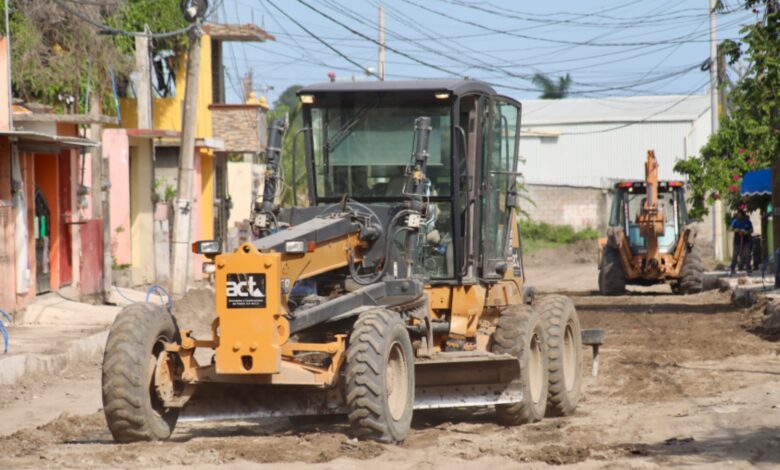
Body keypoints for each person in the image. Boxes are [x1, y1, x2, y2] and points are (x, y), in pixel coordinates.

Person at [729, 208, 753, 275]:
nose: (738, 216)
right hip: (737, 241)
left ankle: (748, 268)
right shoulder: (735, 221)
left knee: (747, 254)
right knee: (735, 255)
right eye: (738, 215)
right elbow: (730, 228)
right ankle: (732, 269)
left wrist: (746, 232)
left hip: (746, 241)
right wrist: (736, 230)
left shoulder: (747, 222)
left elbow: (751, 230)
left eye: (740, 215)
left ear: (743, 215)